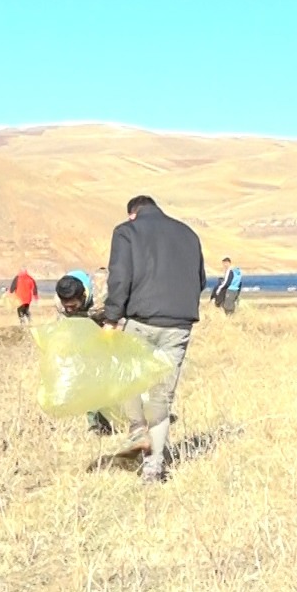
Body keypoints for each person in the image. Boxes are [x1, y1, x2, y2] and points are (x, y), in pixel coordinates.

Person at [102, 195, 207, 483]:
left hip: (142, 320)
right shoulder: (189, 234)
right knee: (162, 395)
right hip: (179, 325)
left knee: (129, 378)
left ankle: (137, 431)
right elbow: (200, 280)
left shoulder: (127, 231)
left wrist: (111, 318)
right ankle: (154, 469)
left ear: (132, 213)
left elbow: (120, 278)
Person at [55, 273, 113, 435]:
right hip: (82, 336)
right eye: (66, 306)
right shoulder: (60, 303)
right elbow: (63, 326)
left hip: (107, 329)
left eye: (73, 306)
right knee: (88, 379)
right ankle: (95, 424)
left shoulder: (102, 294)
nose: (69, 309)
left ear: (84, 296)